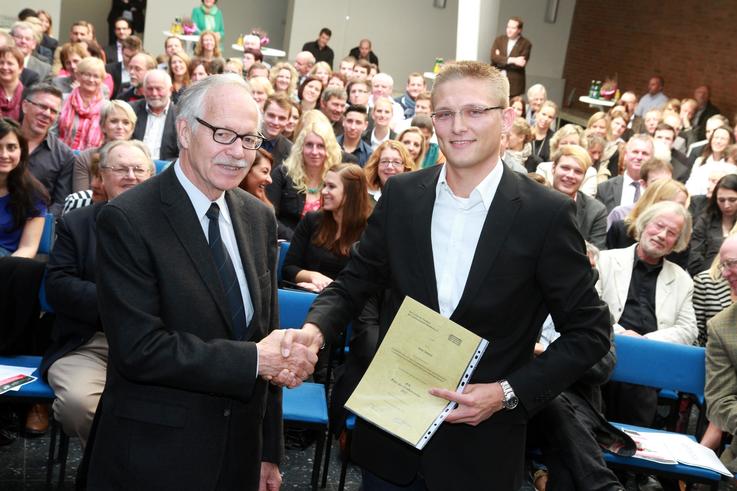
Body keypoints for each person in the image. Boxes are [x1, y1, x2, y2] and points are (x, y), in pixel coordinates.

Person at [284, 60, 611, 490]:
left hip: (480, 453)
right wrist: (315, 329)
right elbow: (353, 284)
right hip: (392, 443)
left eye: (475, 111)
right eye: (444, 113)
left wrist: (506, 393)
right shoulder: (402, 196)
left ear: (507, 118)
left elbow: (589, 332)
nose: (458, 126)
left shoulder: (545, 214)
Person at [86, 74, 318, 489]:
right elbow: (139, 349)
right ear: (184, 131)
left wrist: (268, 452)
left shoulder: (258, 216)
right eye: (224, 134)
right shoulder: (128, 218)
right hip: (156, 456)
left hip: (239, 454)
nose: (238, 152)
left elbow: (265, 334)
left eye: (250, 139)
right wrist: (255, 361)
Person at [41, 140, 154, 449]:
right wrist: (120, 304)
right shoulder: (77, 224)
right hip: (88, 343)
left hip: (155, 345)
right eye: (120, 168)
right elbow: (58, 285)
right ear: (102, 177)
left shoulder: (172, 228)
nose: (131, 175)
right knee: (79, 407)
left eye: (138, 169)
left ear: (152, 175)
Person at [598, 201, 696, 426]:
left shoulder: (682, 280)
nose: (662, 235)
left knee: (638, 380)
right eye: (658, 226)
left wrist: (643, 343)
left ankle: (625, 448)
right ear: (643, 225)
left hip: (648, 363)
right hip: (603, 347)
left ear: (677, 243)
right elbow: (591, 307)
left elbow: (688, 329)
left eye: (671, 233)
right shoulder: (606, 261)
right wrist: (623, 336)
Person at [283, 162, 371, 292]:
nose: (324, 191)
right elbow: (288, 268)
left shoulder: (369, 230)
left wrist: (326, 288)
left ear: (351, 192)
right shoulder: (312, 220)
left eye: (331, 187)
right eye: (324, 185)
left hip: (345, 303)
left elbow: (366, 282)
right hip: (306, 294)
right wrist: (313, 277)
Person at [266, 115, 341, 239]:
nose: (314, 152)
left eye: (320, 146)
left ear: (329, 149)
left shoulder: (337, 178)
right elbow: (269, 216)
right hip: (286, 245)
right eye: (309, 145)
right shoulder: (283, 173)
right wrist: (297, 240)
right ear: (301, 147)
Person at [704, 235, 737, 472]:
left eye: (732, 263)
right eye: (723, 265)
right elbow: (719, 401)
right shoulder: (722, 327)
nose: (725, 273)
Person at [22, 84, 75, 217]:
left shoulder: (64, 155)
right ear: (25, 106)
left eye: (53, 111)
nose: (47, 114)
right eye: (42, 106)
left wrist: (38, 223)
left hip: (36, 223)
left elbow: (60, 203)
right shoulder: (3, 139)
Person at [0, 118, 48, 257]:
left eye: (11, 147)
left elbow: (28, 248)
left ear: (21, 151)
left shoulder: (33, 194)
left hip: (7, 265)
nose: (4, 155)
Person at [550, 145, 607, 249]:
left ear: (584, 176)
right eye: (565, 168)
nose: (570, 175)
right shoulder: (534, 199)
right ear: (553, 168)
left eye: (578, 171)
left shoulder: (596, 211)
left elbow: (596, 255)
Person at [73, 99, 137, 192]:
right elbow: (80, 198)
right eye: (114, 121)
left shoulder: (142, 158)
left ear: (132, 128)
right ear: (103, 126)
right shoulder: (85, 158)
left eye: (126, 122)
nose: (120, 126)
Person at [689, 175, 737, 275]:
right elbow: (694, 254)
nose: (726, 205)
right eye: (721, 200)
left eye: (732, 200)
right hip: (708, 280)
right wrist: (708, 279)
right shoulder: (706, 220)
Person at [57, 57, 108, 151]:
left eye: (96, 76)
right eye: (87, 75)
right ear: (78, 76)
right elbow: (52, 132)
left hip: (92, 160)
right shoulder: (62, 100)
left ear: (102, 80)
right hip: (60, 156)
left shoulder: (107, 108)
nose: (91, 80)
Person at [596, 134, 654, 213]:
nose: (639, 157)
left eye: (645, 153)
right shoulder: (605, 188)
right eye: (635, 152)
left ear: (652, 159)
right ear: (626, 155)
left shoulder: (657, 190)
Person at [130, 69, 179, 161]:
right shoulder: (131, 110)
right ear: (143, 90)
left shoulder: (181, 116)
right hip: (134, 166)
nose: (154, 93)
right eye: (149, 89)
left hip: (166, 169)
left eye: (159, 89)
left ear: (170, 90)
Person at [686, 125, 735, 196]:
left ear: (730, 142)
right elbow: (690, 186)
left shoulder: (732, 164)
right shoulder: (700, 161)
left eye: (723, 139)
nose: (718, 141)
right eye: (716, 137)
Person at [363, 139, 416, 205]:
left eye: (396, 162)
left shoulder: (414, 198)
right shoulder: (363, 195)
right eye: (384, 161)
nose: (389, 167)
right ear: (376, 165)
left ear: (406, 167)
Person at [490, 16, 532, 98]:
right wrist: (513, 60)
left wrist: (501, 59)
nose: (509, 30)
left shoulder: (525, 44)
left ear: (519, 30)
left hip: (514, 84)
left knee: (510, 106)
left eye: (513, 28)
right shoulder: (499, 40)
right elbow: (493, 58)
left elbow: (520, 64)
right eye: (508, 27)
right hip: (496, 80)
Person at [260, 93, 293, 168]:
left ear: (288, 120)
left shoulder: (291, 151)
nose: (275, 122)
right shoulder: (246, 138)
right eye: (271, 115)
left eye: (282, 118)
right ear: (263, 113)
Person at [0, 46, 25, 122]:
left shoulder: (28, 96)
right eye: (1, 63)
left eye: (10, 63)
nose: (4, 67)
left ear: (20, 68)